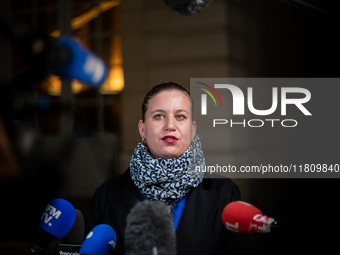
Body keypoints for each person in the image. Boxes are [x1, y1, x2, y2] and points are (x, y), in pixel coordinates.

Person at [85, 82, 252, 254]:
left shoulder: (226, 194)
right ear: (142, 129)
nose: (170, 125)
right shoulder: (105, 196)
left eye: (180, 116)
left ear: (192, 130)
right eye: (158, 116)